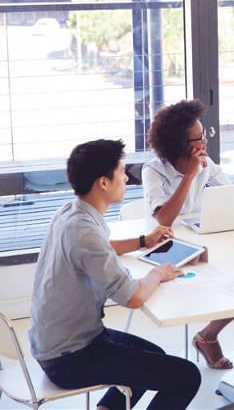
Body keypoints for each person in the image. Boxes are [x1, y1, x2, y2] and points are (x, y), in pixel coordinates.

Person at [29, 139, 201, 410]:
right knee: (187, 376)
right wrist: (157, 273)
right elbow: (132, 297)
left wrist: (144, 240)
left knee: (153, 356)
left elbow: (100, 249)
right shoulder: (84, 230)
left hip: (58, 342)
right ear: (103, 182)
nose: (126, 177)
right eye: (121, 172)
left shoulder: (72, 213)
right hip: (71, 358)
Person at [142, 98, 234, 380]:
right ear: (180, 144)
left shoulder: (206, 164)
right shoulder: (153, 170)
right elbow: (164, 219)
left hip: (202, 239)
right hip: (167, 247)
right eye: (198, 138)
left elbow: (233, 194)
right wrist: (190, 174)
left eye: (204, 135)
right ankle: (211, 338)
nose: (204, 142)